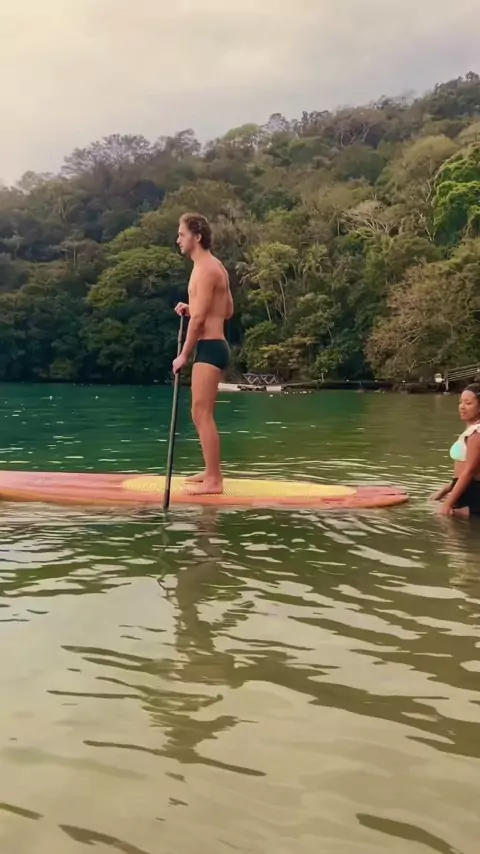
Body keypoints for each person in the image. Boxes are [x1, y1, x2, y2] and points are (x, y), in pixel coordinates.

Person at [172, 212, 233, 495]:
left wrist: (183, 355)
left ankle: (215, 481)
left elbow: (198, 321)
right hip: (215, 345)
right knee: (200, 413)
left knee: (201, 413)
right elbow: (227, 310)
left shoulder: (205, 269)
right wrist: (193, 306)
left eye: (182, 234)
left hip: (210, 347)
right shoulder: (215, 265)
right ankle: (210, 472)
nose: (178, 240)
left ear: (196, 236)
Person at [433, 384, 480, 517]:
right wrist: (445, 490)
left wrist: (447, 504)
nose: (462, 407)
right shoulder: (471, 430)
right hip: (463, 492)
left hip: (472, 498)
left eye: (468, 403)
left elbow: (470, 472)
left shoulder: (477, 434)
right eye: (461, 402)